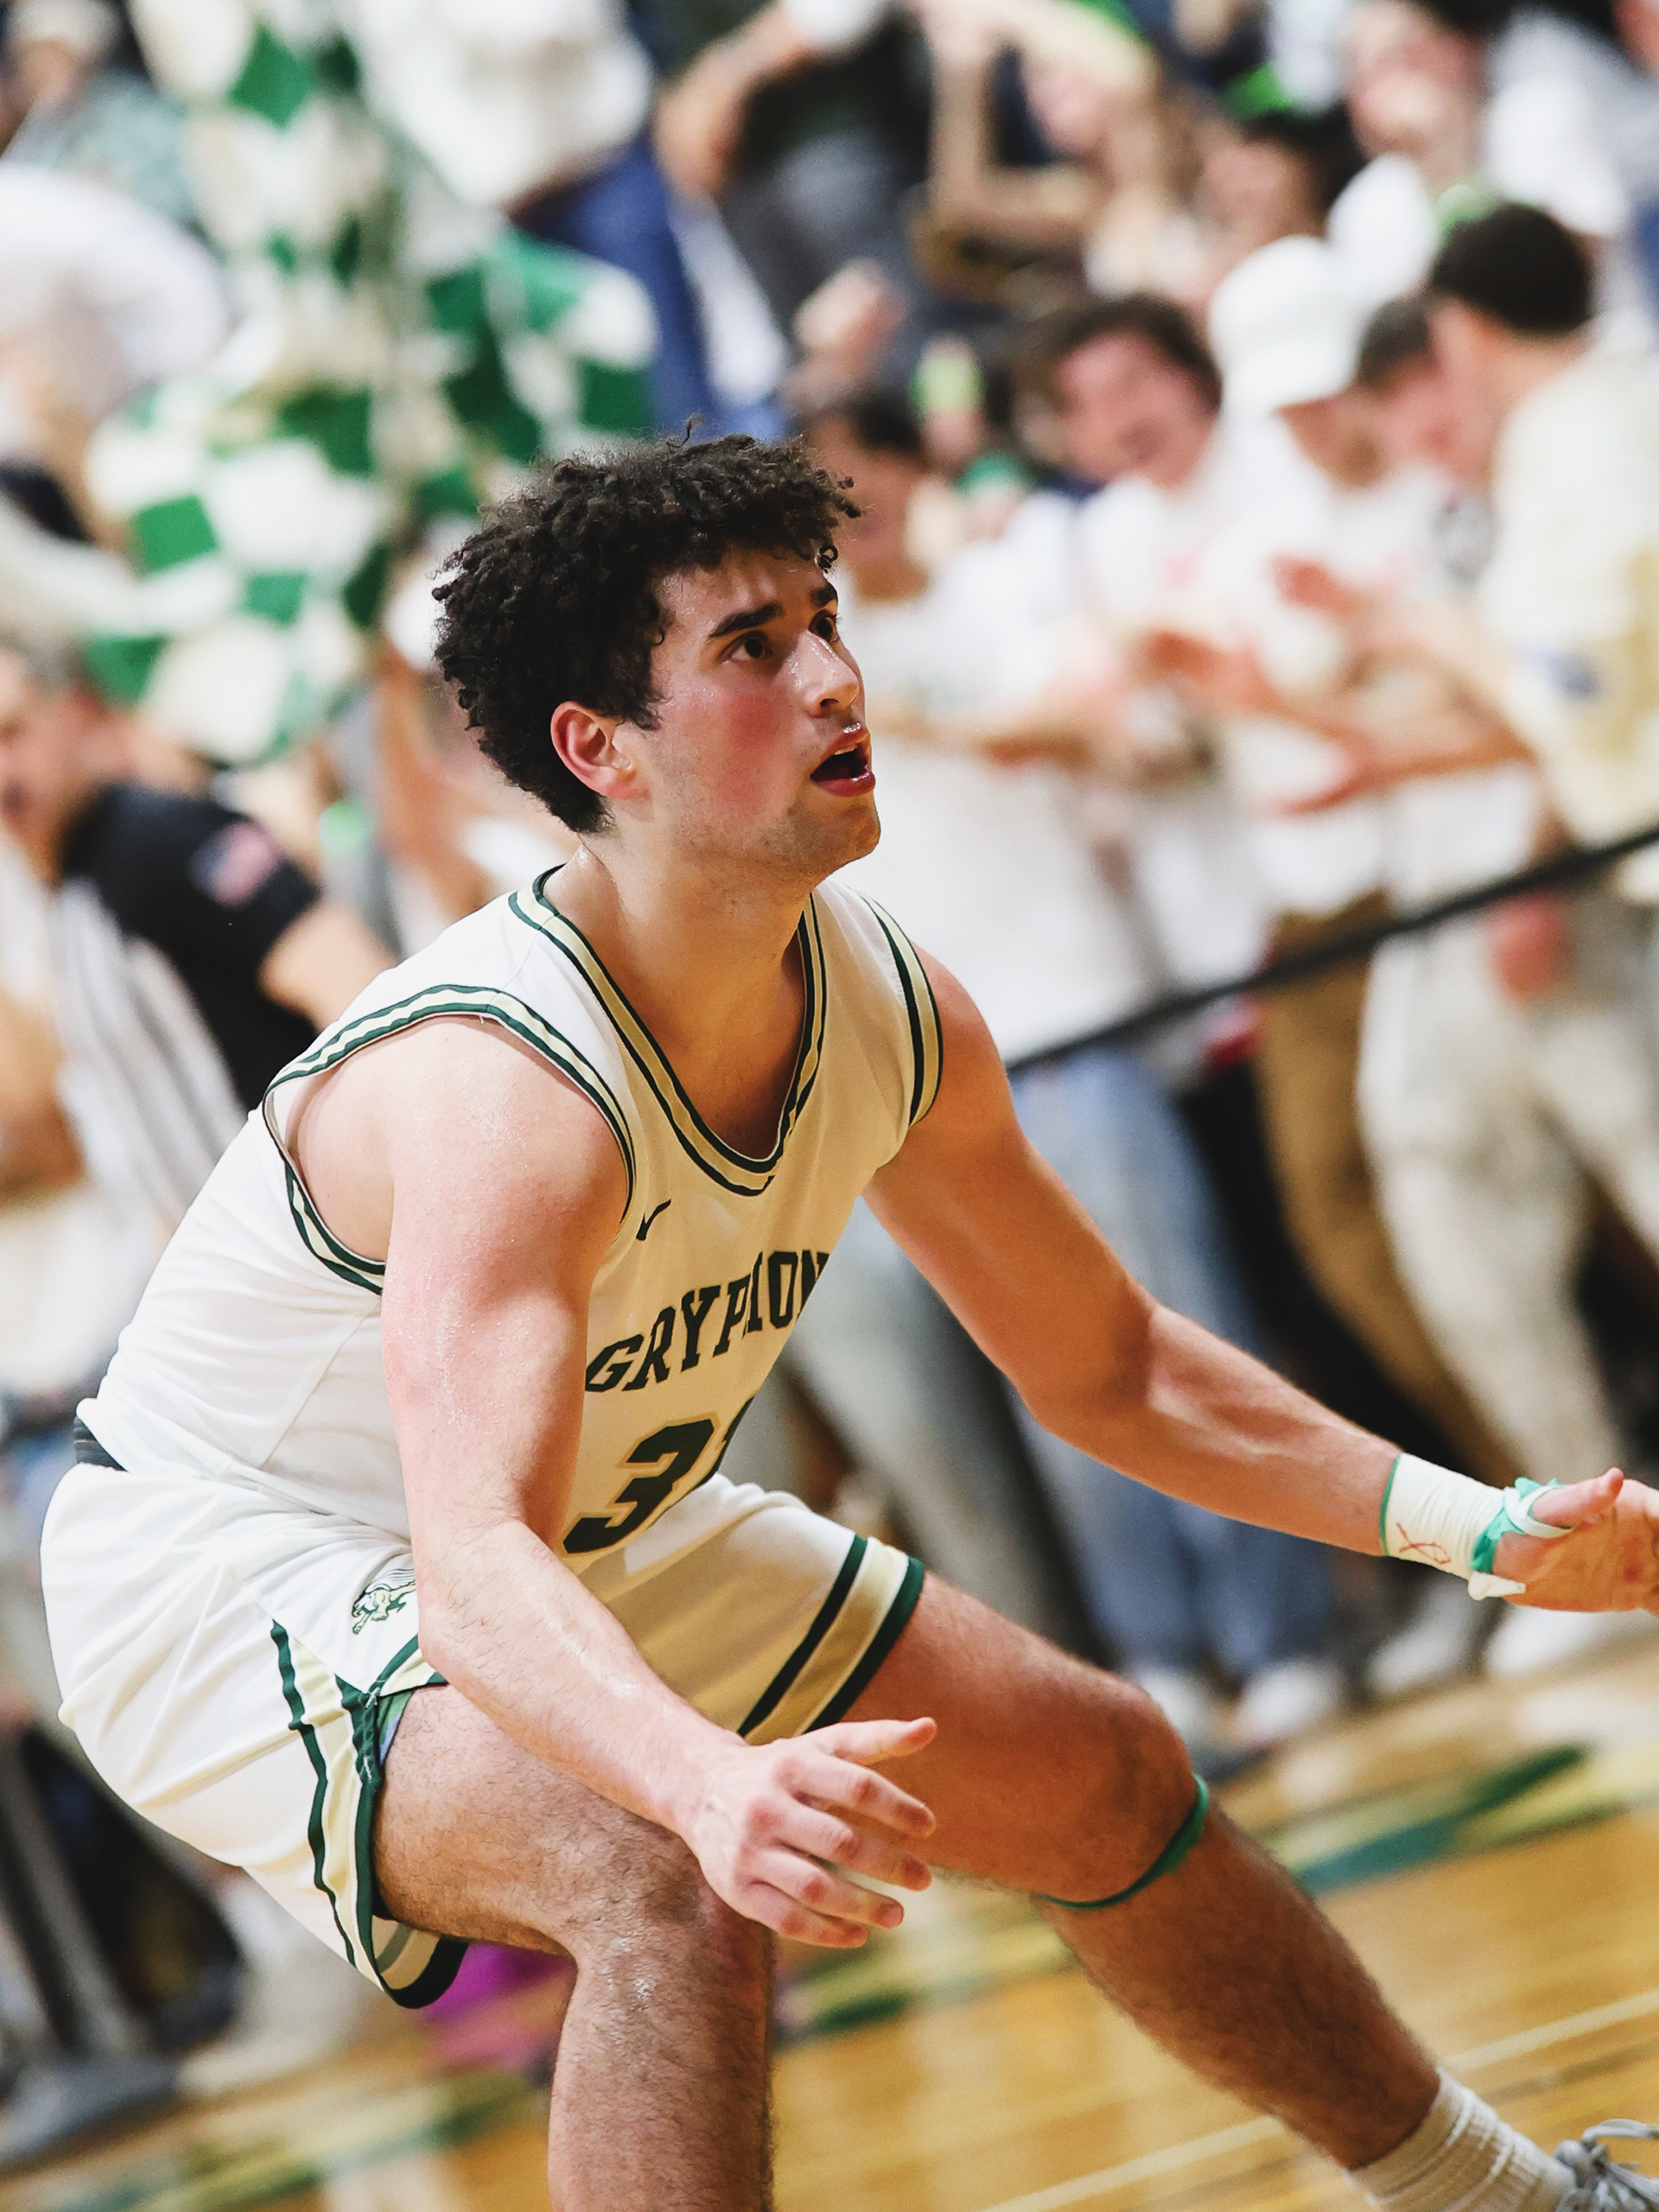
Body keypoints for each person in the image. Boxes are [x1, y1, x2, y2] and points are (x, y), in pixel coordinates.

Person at [35, 435, 1659, 2209]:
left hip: (564, 1534)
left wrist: (1477, 1526)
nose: (831, 675)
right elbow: (470, 1559)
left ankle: (1511, 2200)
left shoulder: (891, 999)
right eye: (751, 646)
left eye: (826, 619)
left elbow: (1110, 1367)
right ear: (602, 749)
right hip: (232, 1567)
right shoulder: (508, 1085)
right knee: (661, 1873)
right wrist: (708, 1779)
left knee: (1106, 1769)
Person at [790, 392, 1338, 1758]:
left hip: (1077, 1019)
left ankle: (1288, 1634)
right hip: (927, 1072)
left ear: (922, 472)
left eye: (878, 475)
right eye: (833, 496)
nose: (865, 511)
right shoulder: (807, 660)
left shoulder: (1011, 588)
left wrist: (972, 721)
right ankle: (1157, 1657)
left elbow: (1123, 732)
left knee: (1176, 1329)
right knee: (1049, 1381)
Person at [1020, 290, 1523, 1494]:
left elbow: (1373, 641)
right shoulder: (1108, 540)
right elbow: (1139, 726)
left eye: (1133, 379)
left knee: (1500, 1181)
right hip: (1280, 913)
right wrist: (1144, 713)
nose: (1119, 416)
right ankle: (1503, 1500)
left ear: (1195, 375)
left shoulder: (1290, 474)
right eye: (1085, 403)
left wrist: (1235, 675)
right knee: (1342, 1225)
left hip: (1417, 863)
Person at [0, 642, 391, 1252]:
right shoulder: (65, 900)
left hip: (313, 1258)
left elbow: (355, 980)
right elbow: (39, 1111)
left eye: (12, 732)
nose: (4, 777)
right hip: (233, 1288)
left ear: (69, 713)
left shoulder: (153, 842)